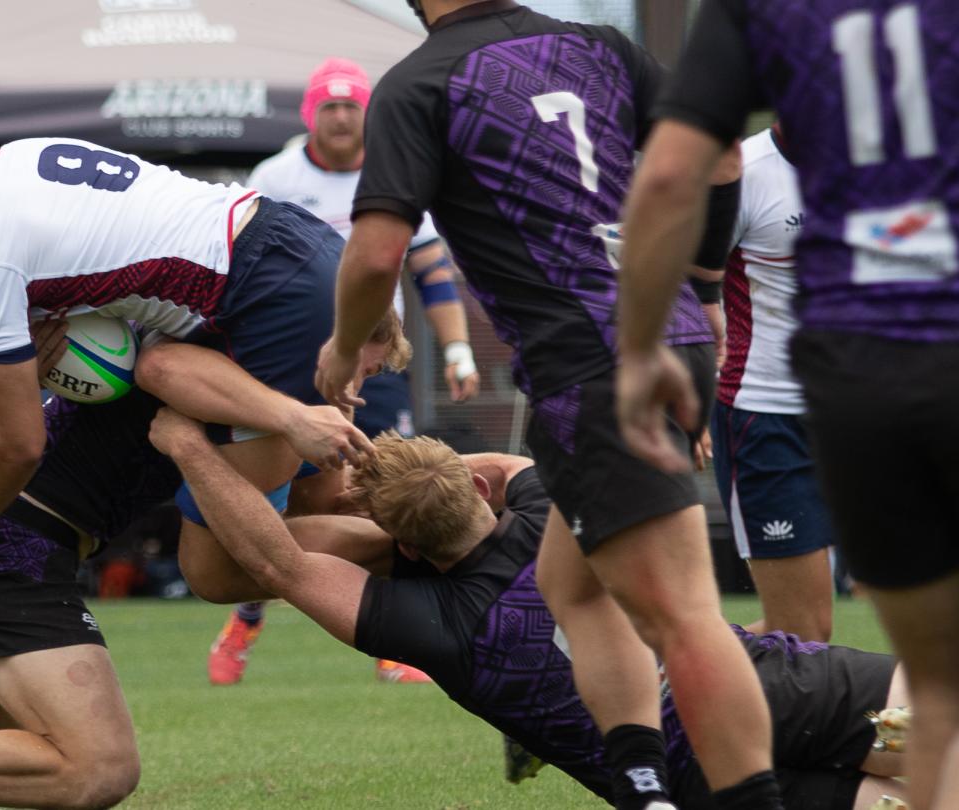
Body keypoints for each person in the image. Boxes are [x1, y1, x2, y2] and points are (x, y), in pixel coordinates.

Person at [310, 1, 775, 807]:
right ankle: (643, 785)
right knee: (575, 585)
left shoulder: (421, 80)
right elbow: (725, 158)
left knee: (683, 616)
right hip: (661, 342)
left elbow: (380, 252)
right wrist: (704, 287)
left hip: (593, 368)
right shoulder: (598, 46)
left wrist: (346, 347)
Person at [152, 415, 911, 809]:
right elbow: (500, 470)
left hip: (687, 779)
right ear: (478, 492)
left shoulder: (435, 629)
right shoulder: (548, 503)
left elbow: (271, 562)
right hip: (773, 686)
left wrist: (191, 446)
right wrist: (418, 470)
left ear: (398, 546)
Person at [0, 86, 375, 621]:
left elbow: (17, 444)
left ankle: (431, 552)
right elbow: (117, 248)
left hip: (264, 298)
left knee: (217, 568)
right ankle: (451, 492)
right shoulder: (14, 161)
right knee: (327, 495)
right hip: (295, 244)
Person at [0, 321, 405, 810]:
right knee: (100, 769)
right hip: (6, 535)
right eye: (363, 367)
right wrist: (401, 541)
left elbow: (328, 498)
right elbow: (219, 566)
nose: (356, 391)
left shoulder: (254, 372)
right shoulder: (244, 386)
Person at [612, 1, 959, 807]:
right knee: (808, 644)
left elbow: (665, 177)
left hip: (869, 393)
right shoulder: (751, 169)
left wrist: (637, 363)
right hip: (775, 420)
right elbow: (682, 226)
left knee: (923, 673)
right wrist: (681, 368)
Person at [208, 56, 479, 686]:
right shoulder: (274, 174)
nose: (339, 117)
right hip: (284, 367)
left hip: (372, 368)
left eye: (350, 106)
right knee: (273, 504)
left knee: (368, 495)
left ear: (367, 115)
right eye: (328, 106)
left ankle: (390, 637)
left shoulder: (395, 171)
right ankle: (247, 616)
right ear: (310, 114)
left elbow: (434, 272)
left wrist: (459, 350)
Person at [710, 126, 836, 643]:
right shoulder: (740, 173)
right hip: (768, 420)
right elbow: (678, 288)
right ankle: (643, 685)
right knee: (801, 633)